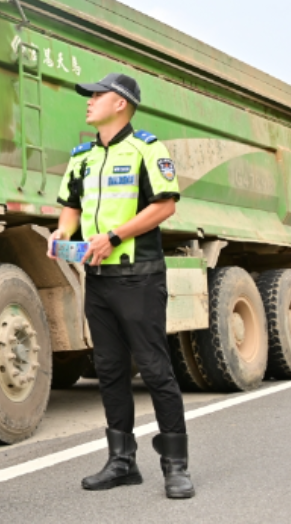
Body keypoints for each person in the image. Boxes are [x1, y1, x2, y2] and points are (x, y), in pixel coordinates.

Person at [49, 72, 195, 500]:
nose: (89, 101)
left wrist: (113, 237)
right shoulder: (81, 157)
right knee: (110, 370)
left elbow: (164, 205)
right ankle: (121, 462)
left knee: (154, 369)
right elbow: (70, 208)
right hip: (98, 279)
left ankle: (175, 466)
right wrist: (62, 233)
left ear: (121, 103)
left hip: (140, 277)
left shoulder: (147, 149)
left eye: (97, 95)